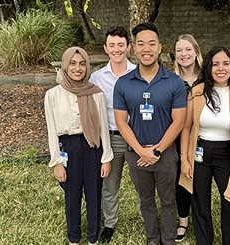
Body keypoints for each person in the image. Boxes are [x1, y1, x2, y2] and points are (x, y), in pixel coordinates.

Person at [113, 22, 187, 245]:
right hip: (136, 155)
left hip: (165, 154)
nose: (147, 49)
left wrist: (156, 150)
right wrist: (140, 152)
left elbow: (179, 121)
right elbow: (120, 121)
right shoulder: (123, 83)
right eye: (141, 44)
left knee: (168, 200)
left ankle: (168, 239)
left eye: (152, 43)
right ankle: (152, 239)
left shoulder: (174, 82)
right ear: (134, 48)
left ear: (160, 47)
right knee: (145, 200)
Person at [179, 45, 230, 245]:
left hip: (227, 154)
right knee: (200, 199)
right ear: (209, 67)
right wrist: (184, 158)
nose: (220, 68)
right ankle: (204, 240)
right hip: (200, 152)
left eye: (225, 64)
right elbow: (186, 128)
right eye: (215, 64)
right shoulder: (197, 92)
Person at [44, 47, 113, 245]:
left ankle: (93, 238)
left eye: (82, 64)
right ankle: (74, 239)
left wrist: (106, 158)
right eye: (73, 63)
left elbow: (103, 129)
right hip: (69, 148)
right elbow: (51, 131)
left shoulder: (96, 94)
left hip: (92, 147)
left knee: (94, 195)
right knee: (72, 196)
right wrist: (57, 162)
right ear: (65, 66)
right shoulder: (53, 95)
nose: (78, 68)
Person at [89, 25, 137, 243]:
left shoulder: (139, 73)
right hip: (112, 138)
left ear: (128, 47)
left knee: (142, 184)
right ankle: (109, 224)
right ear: (105, 48)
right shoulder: (97, 78)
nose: (116, 49)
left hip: (138, 139)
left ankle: (148, 220)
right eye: (112, 45)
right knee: (110, 185)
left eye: (120, 45)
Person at [172, 33, 203, 242]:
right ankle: (183, 221)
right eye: (179, 50)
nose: (184, 54)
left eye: (188, 49)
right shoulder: (170, 80)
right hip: (176, 137)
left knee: (199, 179)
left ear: (196, 51)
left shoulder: (208, 77)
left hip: (203, 138)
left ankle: (201, 218)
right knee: (180, 180)